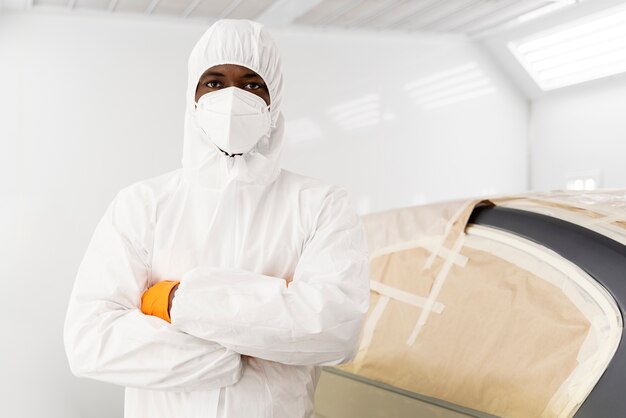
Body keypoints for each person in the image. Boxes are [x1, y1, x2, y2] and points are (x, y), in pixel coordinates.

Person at [63, 19, 370, 418]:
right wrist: (238, 353)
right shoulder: (141, 205)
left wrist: (175, 302)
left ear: (274, 100)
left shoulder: (321, 205)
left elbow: (336, 330)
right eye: (214, 82)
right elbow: (90, 340)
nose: (231, 98)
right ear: (192, 96)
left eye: (251, 84)